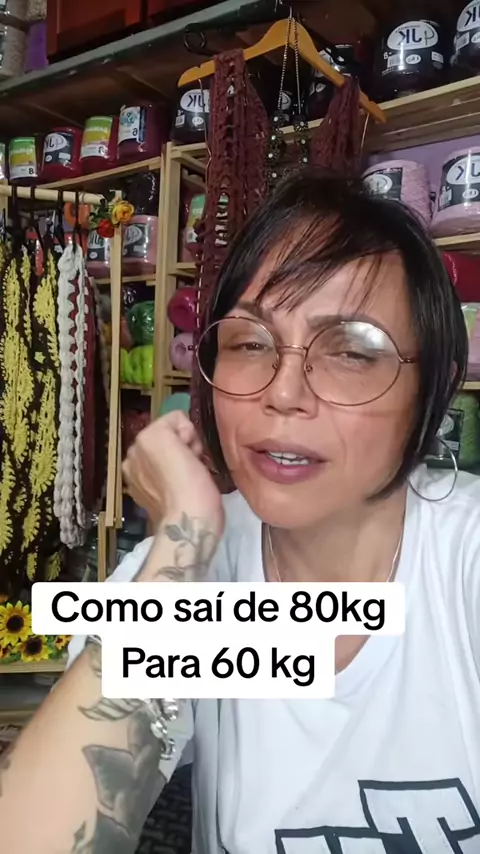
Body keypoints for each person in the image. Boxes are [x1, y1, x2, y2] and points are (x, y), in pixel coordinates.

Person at [1, 170, 479, 854]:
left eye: (351, 351)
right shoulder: (188, 573)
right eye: (251, 343)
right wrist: (181, 541)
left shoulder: (463, 563)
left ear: (431, 386)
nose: (283, 393)